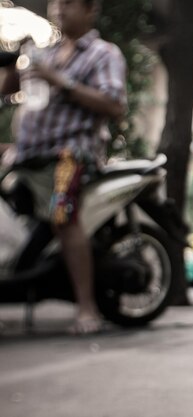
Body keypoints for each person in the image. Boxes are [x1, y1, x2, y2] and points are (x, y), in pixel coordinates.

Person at [0, 0, 127, 333]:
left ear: (90, 10)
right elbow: (9, 90)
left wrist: (60, 81)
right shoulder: (46, 51)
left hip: (70, 153)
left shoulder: (103, 54)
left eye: (69, 3)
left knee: (63, 217)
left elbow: (114, 105)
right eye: (57, 3)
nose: (60, 9)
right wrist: (15, 64)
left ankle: (87, 309)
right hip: (28, 153)